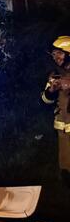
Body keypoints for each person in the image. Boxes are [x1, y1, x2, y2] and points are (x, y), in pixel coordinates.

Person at [42, 36, 70, 186]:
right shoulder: (54, 74)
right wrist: (51, 91)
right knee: (65, 166)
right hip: (62, 128)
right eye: (53, 55)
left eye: (59, 53)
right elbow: (45, 100)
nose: (55, 58)